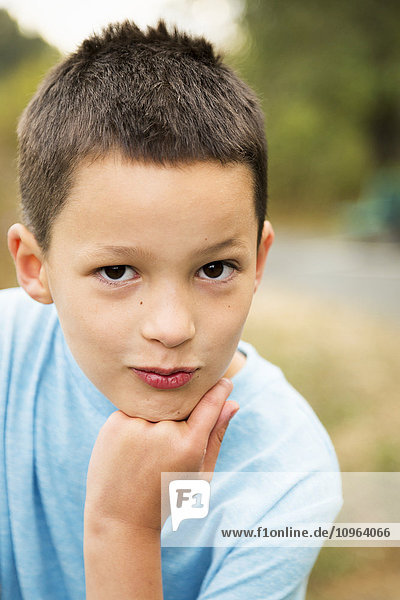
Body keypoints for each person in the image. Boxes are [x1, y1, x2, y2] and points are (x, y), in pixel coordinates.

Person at [0, 20, 342, 599]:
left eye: (214, 269)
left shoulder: (288, 473)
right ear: (35, 267)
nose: (171, 328)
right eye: (116, 272)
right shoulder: (9, 359)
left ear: (258, 261)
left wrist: (124, 530)